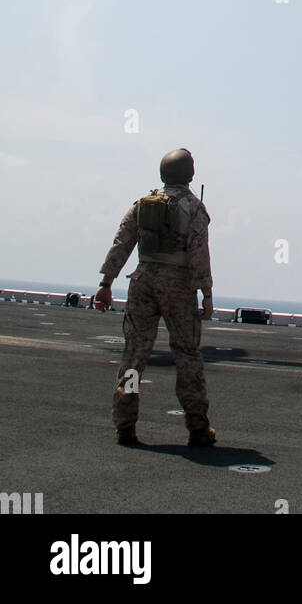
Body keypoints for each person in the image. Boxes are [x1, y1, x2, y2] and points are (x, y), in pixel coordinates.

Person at [95, 148, 216, 447]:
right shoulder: (194, 207)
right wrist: (207, 294)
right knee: (186, 354)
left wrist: (106, 283)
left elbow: (121, 244)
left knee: (135, 355)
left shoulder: (143, 204)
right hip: (177, 285)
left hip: (143, 282)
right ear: (189, 174)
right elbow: (199, 255)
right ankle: (198, 428)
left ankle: (125, 426)